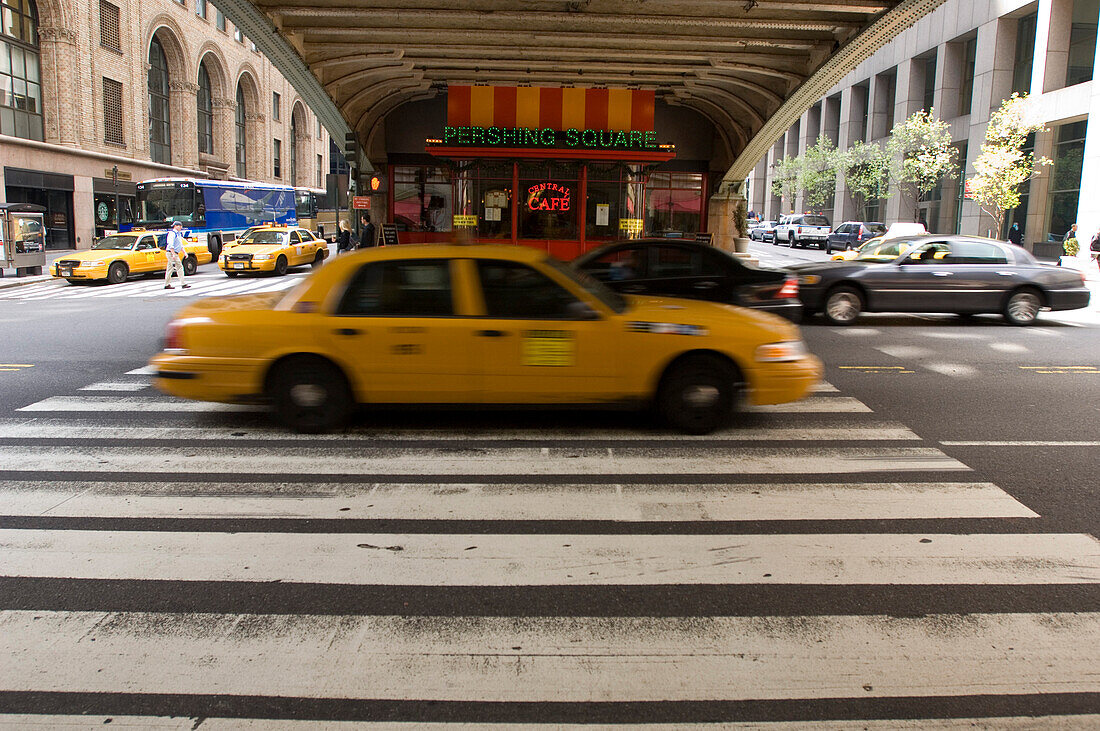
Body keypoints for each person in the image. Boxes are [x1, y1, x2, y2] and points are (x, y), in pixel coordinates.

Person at [164, 221, 190, 290]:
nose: (181, 227)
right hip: (172, 253)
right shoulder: (172, 234)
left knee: (170, 268)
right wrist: (173, 254)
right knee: (179, 267)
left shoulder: (178, 234)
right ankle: (183, 283)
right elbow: (170, 244)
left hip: (173, 253)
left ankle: (167, 284)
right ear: (176, 226)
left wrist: (184, 252)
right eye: (180, 226)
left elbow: (180, 245)